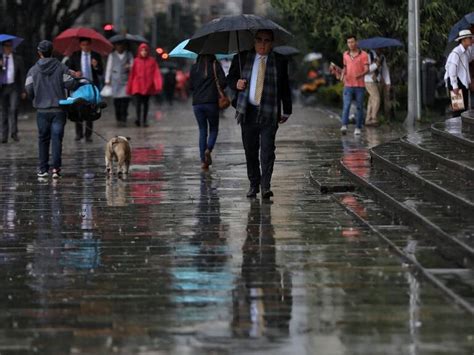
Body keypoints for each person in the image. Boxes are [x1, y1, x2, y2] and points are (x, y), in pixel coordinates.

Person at [227, 30, 292, 199]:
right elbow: (229, 79)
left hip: (270, 112)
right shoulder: (241, 58)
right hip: (247, 112)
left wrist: (287, 109)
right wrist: (236, 83)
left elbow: (285, 86)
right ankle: (253, 184)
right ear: (254, 42)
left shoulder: (279, 60)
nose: (262, 44)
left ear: (272, 43)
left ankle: (265, 186)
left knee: (268, 150)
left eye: (267, 41)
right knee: (250, 150)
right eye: (259, 40)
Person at [25, 40, 78, 178]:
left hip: (42, 110)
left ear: (39, 53)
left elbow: (28, 89)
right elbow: (70, 84)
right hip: (59, 110)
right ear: (52, 52)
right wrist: (72, 76)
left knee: (43, 139)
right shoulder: (61, 67)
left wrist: (36, 98)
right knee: (57, 139)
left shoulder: (33, 70)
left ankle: (43, 169)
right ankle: (56, 169)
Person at [189, 54, 226, 170]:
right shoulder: (215, 65)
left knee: (202, 130)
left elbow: (190, 86)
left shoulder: (194, 67)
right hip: (211, 102)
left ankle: (203, 161)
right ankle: (208, 149)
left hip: (197, 104)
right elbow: (223, 83)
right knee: (214, 129)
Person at [67, 37, 104, 142]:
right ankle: (78, 134)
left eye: (87, 44)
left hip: (91, 85)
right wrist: (75, 73)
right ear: (80, 45)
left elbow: (101, 72)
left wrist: (96, 66)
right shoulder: (75, 55)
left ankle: (88, 135)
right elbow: (68, 69)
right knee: (78, 108)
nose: (85, 47)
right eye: (83, 45)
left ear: (90, 45)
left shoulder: (95, 56)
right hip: (79, 86)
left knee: (90, 109)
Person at [338, 35, 369, 135]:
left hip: (360, 86)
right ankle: (344, 125)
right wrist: (342, 74)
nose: (350, 44)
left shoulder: (364, 54)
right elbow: (345, 67)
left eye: (352, 42)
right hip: (348, 85)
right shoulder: (345, 55)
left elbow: (367, 69)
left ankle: (358, 127)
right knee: (346, 105)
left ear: (356, 42)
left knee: (359, 107)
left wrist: (360, 75)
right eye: (348, 42)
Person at [127, 43, 163, 127]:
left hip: (148, 86)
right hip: (137, 85)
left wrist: (158, 85)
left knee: (146, 104)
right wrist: (130, 86)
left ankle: (144, 120)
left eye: (145, 50)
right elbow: (132, 74)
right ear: (139, 51)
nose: (144, 52)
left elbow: (156, 73)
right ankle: (138, 119)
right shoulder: (136, 61)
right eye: (142, 50)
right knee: (138, 104)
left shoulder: (152, 61)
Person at [0, 39, 26, 143]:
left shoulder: (18, 59)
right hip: (2, 88)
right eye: (6, 46)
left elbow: (23, 75)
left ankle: (14, 132)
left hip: (14, 87)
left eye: (10, 46)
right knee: (4, 112)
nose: (8, 48)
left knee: (14, 109)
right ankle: (4, 135)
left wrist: (24, 90)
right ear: (2, 47)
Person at [444, 29, 474, 117]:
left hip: (461, 82)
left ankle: (460, 128)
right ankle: (456, 128)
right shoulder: (456, 52)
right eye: (469, 38)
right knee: (458, 109)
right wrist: (455, 86)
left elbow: (471, 57)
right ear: (464, 40)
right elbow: (452, 70)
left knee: (463, 109)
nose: (471, 39)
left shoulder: (465, 51)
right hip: (456, 82)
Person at [105, 40, 133, 127]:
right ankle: (118, 118)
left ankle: (124, 118)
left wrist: (129, 66)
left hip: (126, 80)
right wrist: (107, 80)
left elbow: (133, 65)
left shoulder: (129, 55)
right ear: (115, 46)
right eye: (118, 45)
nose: (119, 47)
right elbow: (109, 67)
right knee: (117, 101)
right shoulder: (112, 55)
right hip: (115, 81)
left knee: (125, 101)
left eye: (121, 45)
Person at [365, 48, 391, 127]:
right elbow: (366, 69)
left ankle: (368, 119)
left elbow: (385, 70)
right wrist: (376, 64)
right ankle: (374, 118)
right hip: (368, 80)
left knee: (371, 100)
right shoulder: (369, 55)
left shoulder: (382, 57)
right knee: (376, 98)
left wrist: (388, 82)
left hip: (377, 81)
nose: (380, 50)